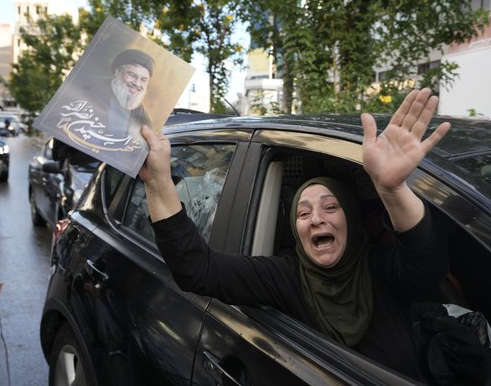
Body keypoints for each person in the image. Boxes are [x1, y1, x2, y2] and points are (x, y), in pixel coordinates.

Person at [139, 88, 452, 380]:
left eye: (330, 207)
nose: (316, 219)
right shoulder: (285, 276)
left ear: (352, 220)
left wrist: (392, 190)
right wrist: (159, 183)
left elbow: (427, 265)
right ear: (296, 229)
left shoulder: (382, 268)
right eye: (303, 213)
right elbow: (198, 271)